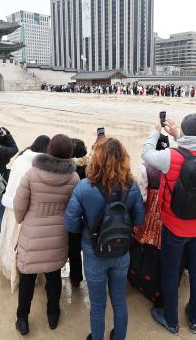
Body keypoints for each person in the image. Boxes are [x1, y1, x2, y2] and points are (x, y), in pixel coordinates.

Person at [141, 114, 196, 335]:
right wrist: (179, 136)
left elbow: (146, 154)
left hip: (174, 225)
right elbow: (195, 151)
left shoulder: (171, 156)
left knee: (170, 271)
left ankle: (171, 320)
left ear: (185, 131)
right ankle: (195, 319)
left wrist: (156, 131)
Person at [66, 137, 144, 340]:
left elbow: (71, 224)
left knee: (98, 304)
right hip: (121, 249)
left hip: (94, 252)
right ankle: (119, 336)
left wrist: (91, 225)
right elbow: (138, 219)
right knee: (119, 300)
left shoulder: (83, 187)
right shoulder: (132, 186)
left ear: (96, 160)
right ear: (123, 159)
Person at [13, 134, 80, 335]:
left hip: (32, 231)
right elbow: (74, 209)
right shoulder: (74, 178)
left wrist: (22, 220)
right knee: (54, 275)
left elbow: (19, 204)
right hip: (58, 233)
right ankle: (53, 314)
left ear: (49, 149)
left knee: (27, 277)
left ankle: (22, 318)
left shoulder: (32, 173)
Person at [0, 135, 50, 292]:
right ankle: (19, 274)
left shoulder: (21, 158)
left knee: (9, 240)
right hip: (23, 209)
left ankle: (9, 268)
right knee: (21, 245)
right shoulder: (37, 166)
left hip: (10, 205)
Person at [130, 133, 169, 307]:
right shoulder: (173, 164)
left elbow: (142, 197)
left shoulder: (145, 167)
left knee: (143, 240)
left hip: (151, 211)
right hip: (168, 210)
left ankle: (140, 279)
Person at [69, 138, 89, 287]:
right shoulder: (92, 167)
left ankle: (76, 278)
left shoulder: (68, 169)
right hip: (89, 214)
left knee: (73, 248)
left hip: (72, 214)